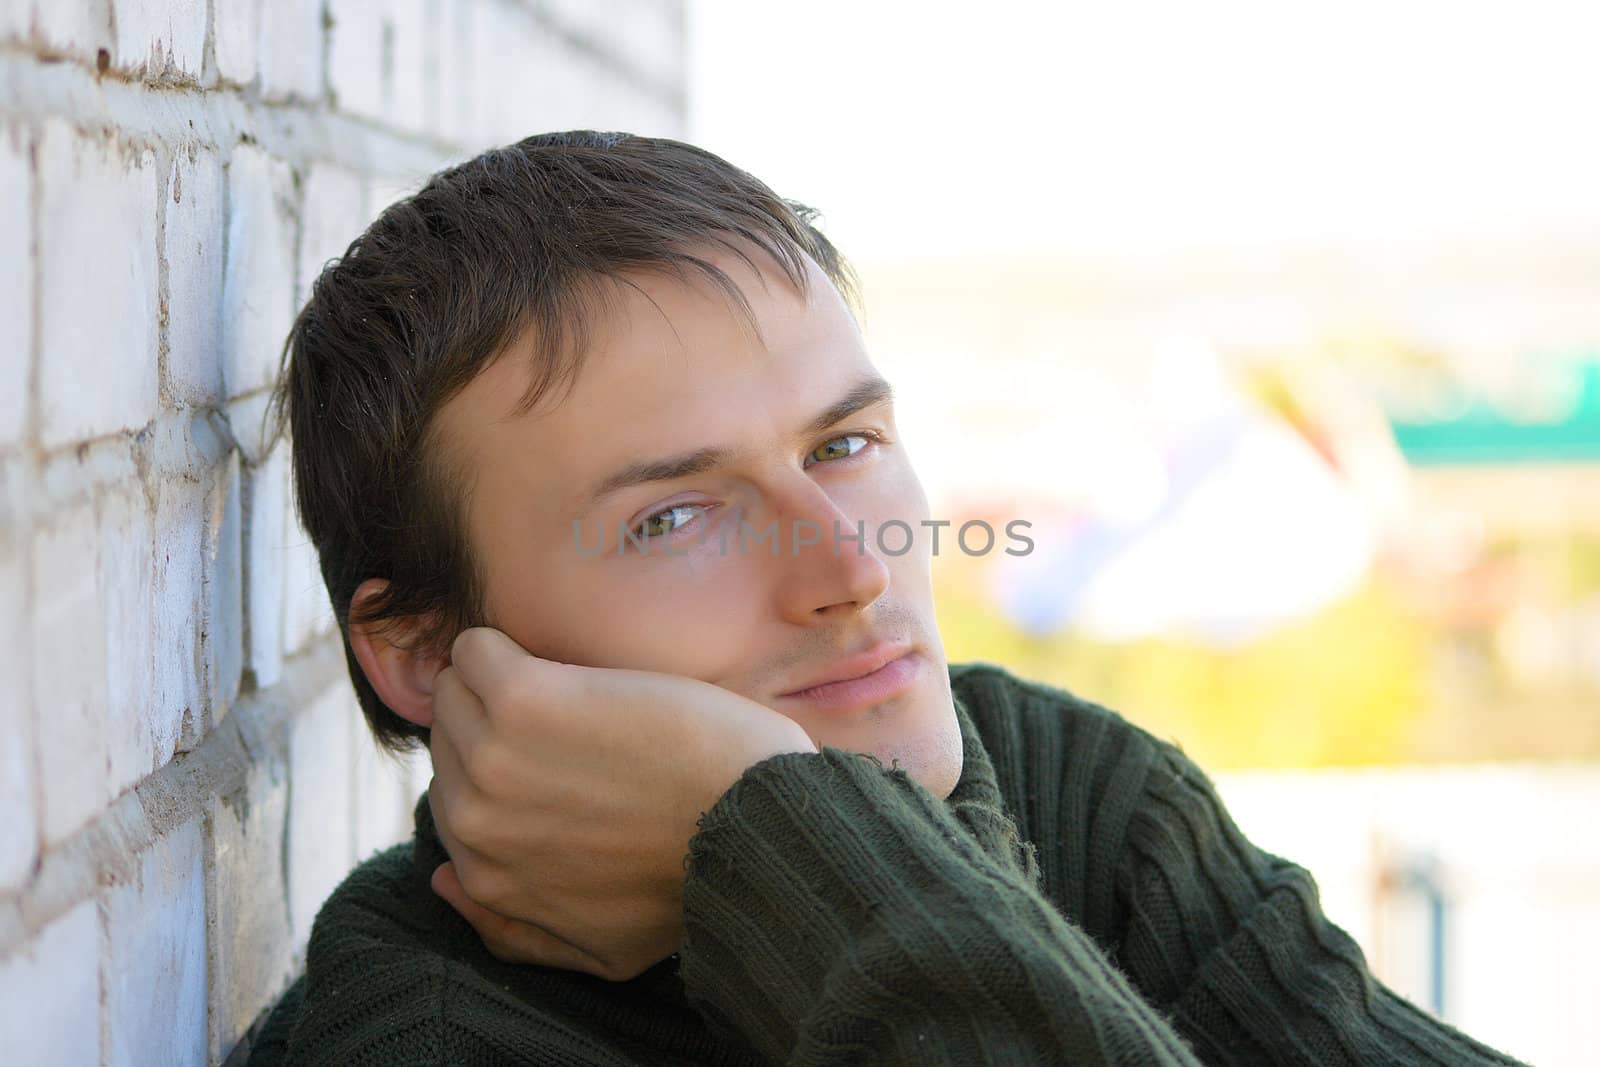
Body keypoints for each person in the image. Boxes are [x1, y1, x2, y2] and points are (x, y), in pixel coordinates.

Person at [246, 131, 1526, 1065]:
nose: (852, 567)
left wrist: (774, 826)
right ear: (419, 651)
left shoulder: (1051, 781)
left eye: (842, 446)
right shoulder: (424, 1039)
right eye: (672, 516)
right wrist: (784, 842)